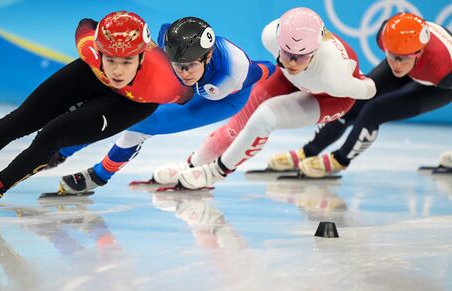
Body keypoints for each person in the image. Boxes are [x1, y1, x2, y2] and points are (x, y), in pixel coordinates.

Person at [0, 11, 192, 206]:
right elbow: (86, 24)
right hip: (91, 76)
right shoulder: (89, 50)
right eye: (111, 59)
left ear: (143, 57)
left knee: (52, 135)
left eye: (127, 61)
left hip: (129, 103)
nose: (117, 70)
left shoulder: (165, 84)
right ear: (98, 51)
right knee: (18, 121)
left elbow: (188, 94)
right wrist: (101, 63)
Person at [53, 17, 275, 194]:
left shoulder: (235, 72)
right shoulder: (168, 40)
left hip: (221, 100)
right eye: (177, 65)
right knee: (122, 108)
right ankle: (63, 149)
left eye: (189, 66)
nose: (183, 72)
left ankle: (99, 175)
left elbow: (266, 68)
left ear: (207, 57)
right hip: (193, 86)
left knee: (143, 123)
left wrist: (281, 64)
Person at [172, 7, 377, 190]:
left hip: (333, 97)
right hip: (289, 79)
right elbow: (288, 63)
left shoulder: (335, 75)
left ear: (316, 51)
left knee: (265, 117)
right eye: (287, 53)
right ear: (279, 42)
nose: (293, 62)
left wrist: (356, 81)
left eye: (302, 56)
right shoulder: (270, 34)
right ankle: (192, 164)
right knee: (236, 125)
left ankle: (215, 172)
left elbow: (371, 90)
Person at [264, 12, 451, 178]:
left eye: (402, 59)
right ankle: (308, 152)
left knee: (376, 110)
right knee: (354, 99)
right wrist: (398, 57)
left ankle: (339, 160)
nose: (396, 64)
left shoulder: (444, 69)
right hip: (421, 65)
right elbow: (398, 55)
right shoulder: (386, 33)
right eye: (391, 55)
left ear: (419, 53)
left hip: (440, 85)